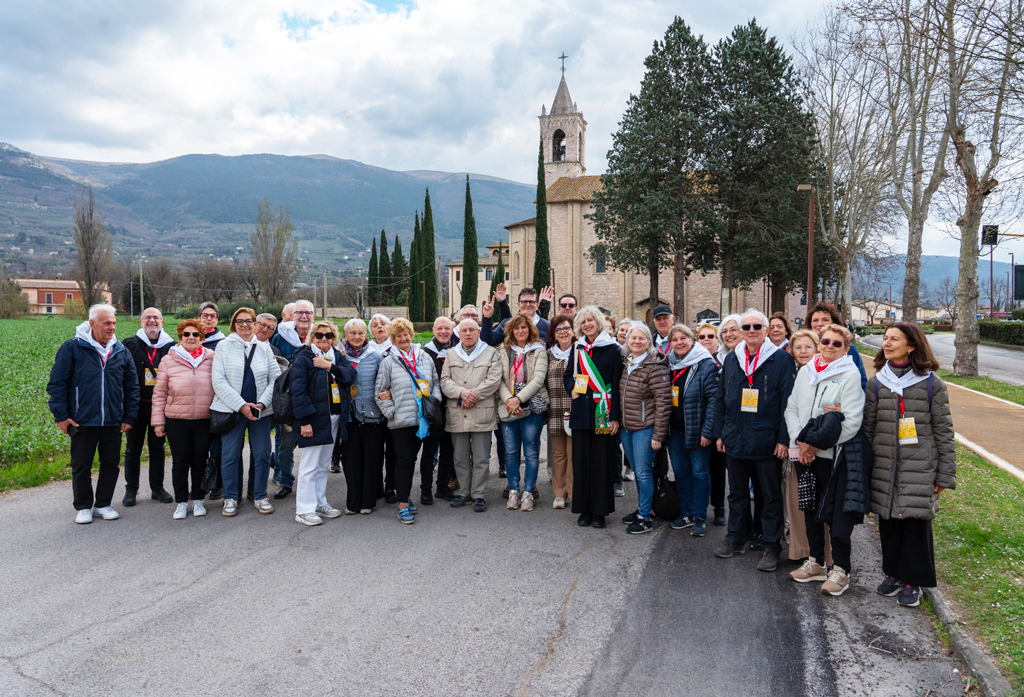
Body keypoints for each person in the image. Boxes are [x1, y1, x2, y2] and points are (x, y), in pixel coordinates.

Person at [864, 323, 955, 608]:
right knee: (888, 522)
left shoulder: (931, 384)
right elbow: (868, 430)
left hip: (920, 468)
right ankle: (892, 574)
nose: (887, 343)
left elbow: (944, 432)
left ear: (912, 346)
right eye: (886, 339)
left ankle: (912, 582)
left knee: (915, 525)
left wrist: (945, 474)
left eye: (895, 339)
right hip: (884, 466)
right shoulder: (878, 382)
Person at [784, 324, 866, 595]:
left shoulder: (849, 375)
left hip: (834, 457)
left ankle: (841, 569)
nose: (830, 346)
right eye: (826, 341)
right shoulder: (806, 372)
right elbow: (792, 409)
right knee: (810, 509)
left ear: (846, 348)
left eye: (837, 344)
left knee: (837, 515)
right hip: (806, 454)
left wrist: (815, 445)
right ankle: (816, 562)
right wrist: (802, 442)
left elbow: (851, 421)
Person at [713, 309, 796, 572]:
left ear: (766, 330)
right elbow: (720, 398)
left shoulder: (781, 360)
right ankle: (736, 537)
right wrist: (720, 433)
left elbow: (788, 403)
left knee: (770, 496)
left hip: (766, 439)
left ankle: (771, 546)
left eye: (757, 326)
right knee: (736, 493)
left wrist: (784, 439)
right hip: (735, 437)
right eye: (745, 326)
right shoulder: (732, 359)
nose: (751, 331)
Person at [47, 304, 140, 524]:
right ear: (92, 324)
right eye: (107, 323)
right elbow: (57, 384)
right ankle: (83, 507)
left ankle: (103, 504)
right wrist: (61, 416)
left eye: (114, 323)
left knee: (110, 464)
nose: (112, 327)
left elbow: (132, 386)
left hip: (113, 420)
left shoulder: (120, 350)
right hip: (82, 420)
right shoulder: (72, 348)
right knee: (82, 465)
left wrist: (129, 416)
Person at [210, 307, 281, 517]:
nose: (245, 325)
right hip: (232, 410)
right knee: (230, 455)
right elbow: (218, 380)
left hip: (260, 411)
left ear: (255, 324)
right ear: (233, 324)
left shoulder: (264, 348)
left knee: (261, 454)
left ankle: (259, 495)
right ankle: (230, 497)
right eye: (240, 321)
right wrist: (241, 405)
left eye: (249, 321)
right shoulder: (223, 346)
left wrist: (261, 403)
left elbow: (275, 378)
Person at [374, 318, 441, 524]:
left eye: (406, 334)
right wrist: (391, 412)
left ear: (411, 335)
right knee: (404, 460)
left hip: (422, 419)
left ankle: (405, 495)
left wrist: (434, 400)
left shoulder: (424, 357)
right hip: (400, 421)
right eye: (399, 336)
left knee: (411, 459)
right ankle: (402, 504)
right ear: (393, 339)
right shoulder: (388, 361)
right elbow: (380, 392)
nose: (404, 338)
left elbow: (435, 382)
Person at [290, 320, 356, 526]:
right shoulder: (304, 358)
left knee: (321, 465)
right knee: (309, 465)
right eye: (319, 335)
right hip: (314, 418)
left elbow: (350, 376)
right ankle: (303, 510)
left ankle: (320, 502)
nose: (324, 339)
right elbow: (297, 392)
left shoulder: (336, 356)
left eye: (328, 335)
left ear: (334, 338)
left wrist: (330, 366)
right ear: (312, 337)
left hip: (334, 417)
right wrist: (305, 421)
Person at [564, 305, 623, 529]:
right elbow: (568, 375)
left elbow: (617, 384)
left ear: (599, 321)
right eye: (583, 321)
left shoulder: (613, 349)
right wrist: (572, 389)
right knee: (582, 462)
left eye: (591, 320)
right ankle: (584, 509)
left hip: (603, 412)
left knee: (601, 462)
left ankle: (600, 511)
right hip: (581, 412)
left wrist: (615, 417)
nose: (587, 324)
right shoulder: (577, 348)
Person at [151, 319, 216, 519]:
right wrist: (158, 421)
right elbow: (159, 392)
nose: (190, 338)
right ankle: (181, 502)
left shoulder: (212, 357)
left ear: (202, 338)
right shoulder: (168, 360)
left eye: (195, 334)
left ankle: (197, 500)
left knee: (199, 461)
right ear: (180, 337)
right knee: (180, 462)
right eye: (186, 334)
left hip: (204, 419)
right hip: (176, 419)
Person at [441, 318, 503, 511]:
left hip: (481, 413)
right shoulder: (451, 354)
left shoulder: (491, 353)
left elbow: (494, 380)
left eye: (472, 330)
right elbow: (444, 381)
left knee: (481, 457)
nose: (468, 334)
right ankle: (464, 492)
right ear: (458, 334)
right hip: (458, 413)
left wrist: (473, 394)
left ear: (478, 332)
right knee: (459, 457)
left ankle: (478, 494)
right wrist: (462, 393)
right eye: (464, 330)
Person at [618, 323, 672, 534]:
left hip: (645, 428)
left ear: (649, 342)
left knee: (642, 472)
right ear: (627, 341)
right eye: (633, 338)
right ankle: (643, 508)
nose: (637, 342)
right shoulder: (626, 362)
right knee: (639, 471)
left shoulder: (655, 365)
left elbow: (663, 402)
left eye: (642, 338)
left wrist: (658, 434)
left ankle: (645, 518)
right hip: (627, 427)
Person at [665, 324, 719, 537]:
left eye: (683, 338)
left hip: (697, 430)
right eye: (675, 339)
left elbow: (714, 401)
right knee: (680, 471)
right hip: (675, 431)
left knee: (699, 472)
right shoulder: (669, 364)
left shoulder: (705, 364)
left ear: (692, 340)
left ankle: (700, 516)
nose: (679, 342)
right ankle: (686, 512)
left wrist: (707, 432)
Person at [121, 307, 175, 506]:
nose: (152, 320)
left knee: (157, 448)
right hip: (136, 406)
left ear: (162, 322)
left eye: (156, 318)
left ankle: (157, 488)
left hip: (159, 406)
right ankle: (131, 490)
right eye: (148, 317)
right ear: (141, 322)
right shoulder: (128, 344)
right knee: (133, 448)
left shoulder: (171, 347)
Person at [498, 313, 549, 512]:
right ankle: (513, 490)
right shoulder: (503, 350)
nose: (520, 331)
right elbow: (499, 378)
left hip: (531, 406)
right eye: (516, 328)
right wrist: (509, 401)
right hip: (507, 403)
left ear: (530, 330)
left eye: (524, 328)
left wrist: (519, 399)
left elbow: (538, 379)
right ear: (511, 331)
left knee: (531, 452)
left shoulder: (539, 350)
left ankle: (528, 491)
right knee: (510, 453)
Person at [784, 329, 825, 564]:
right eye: (798, 347)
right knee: (800, 501)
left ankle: (823, 555)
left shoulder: (828, 372)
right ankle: (802, 550)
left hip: (821, 448)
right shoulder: (793, 373)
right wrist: (799, 440)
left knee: (820, 502)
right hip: (796, 446)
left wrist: (810, 443)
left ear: (817, 347)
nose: (803, 351)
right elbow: (790, 410)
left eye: (808, 346)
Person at [339, 319, 385, 514]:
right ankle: (353, 501)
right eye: (353, 333)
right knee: (350, 460)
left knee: (371, 458)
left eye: (360, 333)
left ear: (366, 335)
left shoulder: (375, 357)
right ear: (346, 335)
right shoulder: (339, 357)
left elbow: (383, 383)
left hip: (372, 416)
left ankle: (368, 501)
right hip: (348, 417)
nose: (357, 337)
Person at [270, 301, 316, 497]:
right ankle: (285, 481)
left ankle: (312, 481)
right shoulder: (280, 338)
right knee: (285, 445)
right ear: (293, 315)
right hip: (289, 401)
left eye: (308, 313)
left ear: (313, 315)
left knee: (314, 444)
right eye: (300, 313)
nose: (304, 316)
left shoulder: (320, 336)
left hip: (313, 400)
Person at [420, 316, 457, 505]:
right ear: (433, 330)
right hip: (433, 409)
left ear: (452, 330)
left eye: (447, 328)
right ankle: (425, 489)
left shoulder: (457, 351)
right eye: (440, 328)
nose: (443, 332)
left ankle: (442, 486)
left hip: (453, 408)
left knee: (448, 451)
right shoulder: (424, 353)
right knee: (429, 451)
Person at [546, 314, 576, 509]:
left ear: (573, 331)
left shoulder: (581, 352)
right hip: (556, 409)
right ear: (554, 334)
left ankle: (574, 493)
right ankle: (559, 493)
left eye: (566, 328)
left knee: (574, 453)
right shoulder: (548, 354)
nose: (563, 332)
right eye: (559, 330)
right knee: (558, 454)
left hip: (576, 410)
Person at [367, 313, 397, 500]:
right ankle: (376, 485)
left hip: (393, 405)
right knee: (374, 449)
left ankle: (391, 486)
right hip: (371, 406)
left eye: (383, 323)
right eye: (375, 324)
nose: (379, 327)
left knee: (393, 449)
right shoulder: (365, 350)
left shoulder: (396, 348)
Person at [806, 302, 867, 389]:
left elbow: (861, 383)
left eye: (825, 320)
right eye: (815, 320)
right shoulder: (803, 346)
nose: (820, 324)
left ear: (834, 323)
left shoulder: (848, 348)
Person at [483, 286, 549, 345]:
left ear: (537, 305)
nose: (528, 305)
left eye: (531, 302)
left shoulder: (548, 326)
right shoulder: (507, 324)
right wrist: (487, 318)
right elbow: (489, 340)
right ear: (518, 304)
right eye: (524, 302)